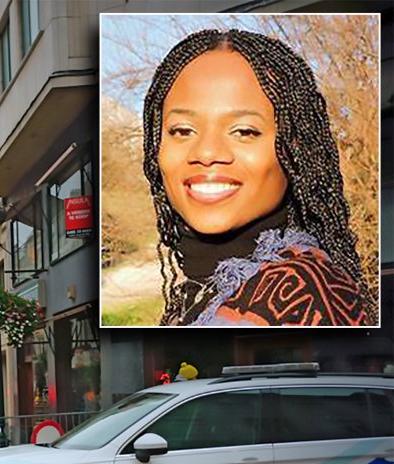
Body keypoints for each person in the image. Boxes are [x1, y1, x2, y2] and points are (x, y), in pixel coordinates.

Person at [142, 28, 376, 326]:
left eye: (245, 131)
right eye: (183, 130)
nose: (207, 152)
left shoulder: (302, 292)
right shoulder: (199, 292)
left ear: (294, 149)